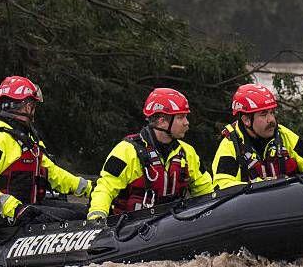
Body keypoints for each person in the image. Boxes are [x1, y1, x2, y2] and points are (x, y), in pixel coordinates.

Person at [0, 76, 92, 232]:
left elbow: (53, 174)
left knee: (85, 212)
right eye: (33, 105)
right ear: (26, 106)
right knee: (74, 218)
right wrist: (14, 208)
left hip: (25, 209)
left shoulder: (26, 139)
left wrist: (90, 188)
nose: (34, 110)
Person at [87, 88, 213, 220]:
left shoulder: (187, 153)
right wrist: (97, 215)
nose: (187, 123)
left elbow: (205, 190)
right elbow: (105, 187)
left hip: (173, 225)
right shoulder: (127, 150)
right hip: (128, 228)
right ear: (162, 121)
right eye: (181, 117)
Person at [211, 83, 303, 190]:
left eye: (272, 112)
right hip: (253, 209)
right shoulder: (231, 145)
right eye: (263, 114)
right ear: (246, 120)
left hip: (290, 203)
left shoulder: (284, 135)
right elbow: (223, 185)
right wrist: (259, 186)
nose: (271, 120)